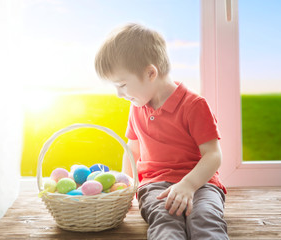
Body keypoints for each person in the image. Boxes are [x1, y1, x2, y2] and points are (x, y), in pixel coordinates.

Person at [94, 23, 228, 239]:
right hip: (155, 184)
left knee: (205, 219)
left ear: (150, 73)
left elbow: (213, 155)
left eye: (121, 85)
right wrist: (126, 188)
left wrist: (189, 185)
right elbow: (132, 150)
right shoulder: (137, 107)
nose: (119, 94)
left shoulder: (194, 105)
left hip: (200, 183)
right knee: (165, 221)